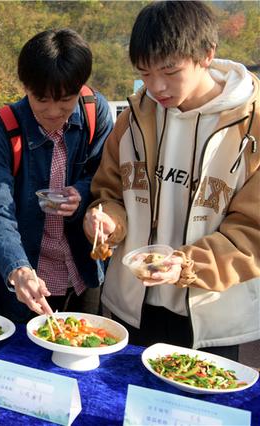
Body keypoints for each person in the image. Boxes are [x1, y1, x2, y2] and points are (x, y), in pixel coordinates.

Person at [83, 1, 260, 361]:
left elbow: (253, 230)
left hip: (209, 315)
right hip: (131, 306)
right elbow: (109, 192)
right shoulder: (132, 119)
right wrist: (106, 219)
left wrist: (187, 264)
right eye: (145, 74)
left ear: (207, 54)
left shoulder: (250, 125)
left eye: (170, 71)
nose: (157, 87)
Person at [0, 29, 114, 322]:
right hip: (30, 271)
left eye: (65, 101)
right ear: (25, 86)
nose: (53, 112)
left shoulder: (95, 111)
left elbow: (107, 177)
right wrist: (18, 269)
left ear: (81, 87)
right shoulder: (4, 129)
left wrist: (82, 191)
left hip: (82, 268)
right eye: (41, 100)